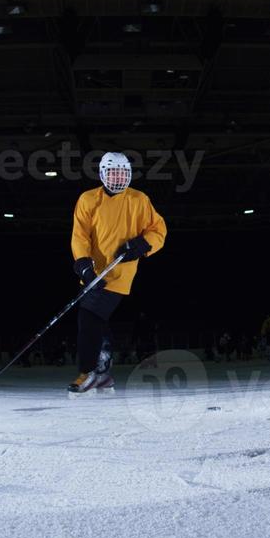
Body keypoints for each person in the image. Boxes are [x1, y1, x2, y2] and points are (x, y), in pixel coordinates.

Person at [68, 151, 167, 394]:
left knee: (88, 317)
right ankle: (102, 374)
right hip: (92, 273)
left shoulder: (138, 200)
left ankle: (88, 372)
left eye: (123, 172)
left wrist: (143, 245)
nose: (118, 177)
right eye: (113, 172)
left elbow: (158, 229)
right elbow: (80, 235)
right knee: (95, 319)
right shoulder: (88, 199)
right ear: (103, 173)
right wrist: (82, 263)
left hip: (119, 272)